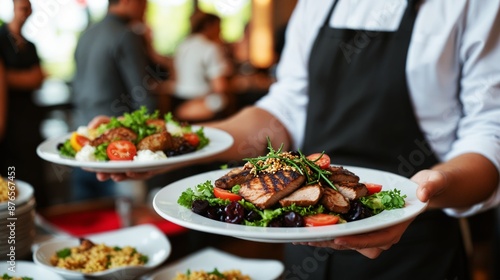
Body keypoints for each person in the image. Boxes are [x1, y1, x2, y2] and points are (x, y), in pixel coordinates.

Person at [94, 0, 500, 279]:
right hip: (301, 232)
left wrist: (432, 188)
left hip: (415, 249)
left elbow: (489, 134)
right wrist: (184, 143)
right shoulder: (319, 3)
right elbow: (286, 109)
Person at [71, 0, 168, 201]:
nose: (146, 7)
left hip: (83, 140)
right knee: (128, 217)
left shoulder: (86, 33)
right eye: (143, 2)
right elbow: (142, 92)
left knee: (88, 215)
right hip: (120, 149)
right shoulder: (126, 34)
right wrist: (155, 138)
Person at [0, 0, 47, 206]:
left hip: (28, 120)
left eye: (28, 8)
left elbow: (38, 78)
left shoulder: (30, 45)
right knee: (11, 178)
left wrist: (7, 77)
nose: (25, 13)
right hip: (8, 120)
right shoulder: (1, 39)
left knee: (32, 172)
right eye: (22, 8)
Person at [170, 10, 232, 122]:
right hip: (200, 103)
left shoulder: (182, 45)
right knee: (224, 100)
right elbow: (220, 87)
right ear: (209, 26)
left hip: (177, 101)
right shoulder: (211, 48)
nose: (221, 31)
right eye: (219, 26)